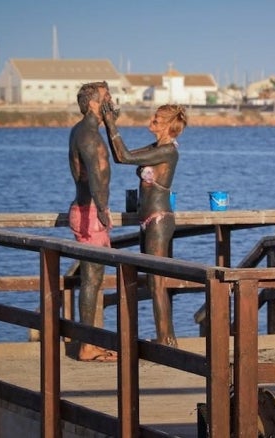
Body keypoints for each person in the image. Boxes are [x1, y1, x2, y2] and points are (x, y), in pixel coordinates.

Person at [101, 102, 187, 347]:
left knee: (158, 284)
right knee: (152, 283)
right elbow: (121, 156)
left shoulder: (169, 151)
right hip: (146, 220)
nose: (152, 120)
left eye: (158, 118)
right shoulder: (155, 147)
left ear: (170, 125)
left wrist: (110, 123)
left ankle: (166, 340)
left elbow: (124, 156)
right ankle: (166, 338)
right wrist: (109, 126)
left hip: (160, 219)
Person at [68, 81, 118, 362]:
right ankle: (86, 344)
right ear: (93, 103)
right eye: (106, 97)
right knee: (91, 277)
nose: (111, 101)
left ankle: (88, 339)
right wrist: (101, 209)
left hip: (89, 209)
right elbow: (94, 174)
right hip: (89, 211)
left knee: (95, 277)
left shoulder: (87, 130)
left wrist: (112, 125)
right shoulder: (87, 135)